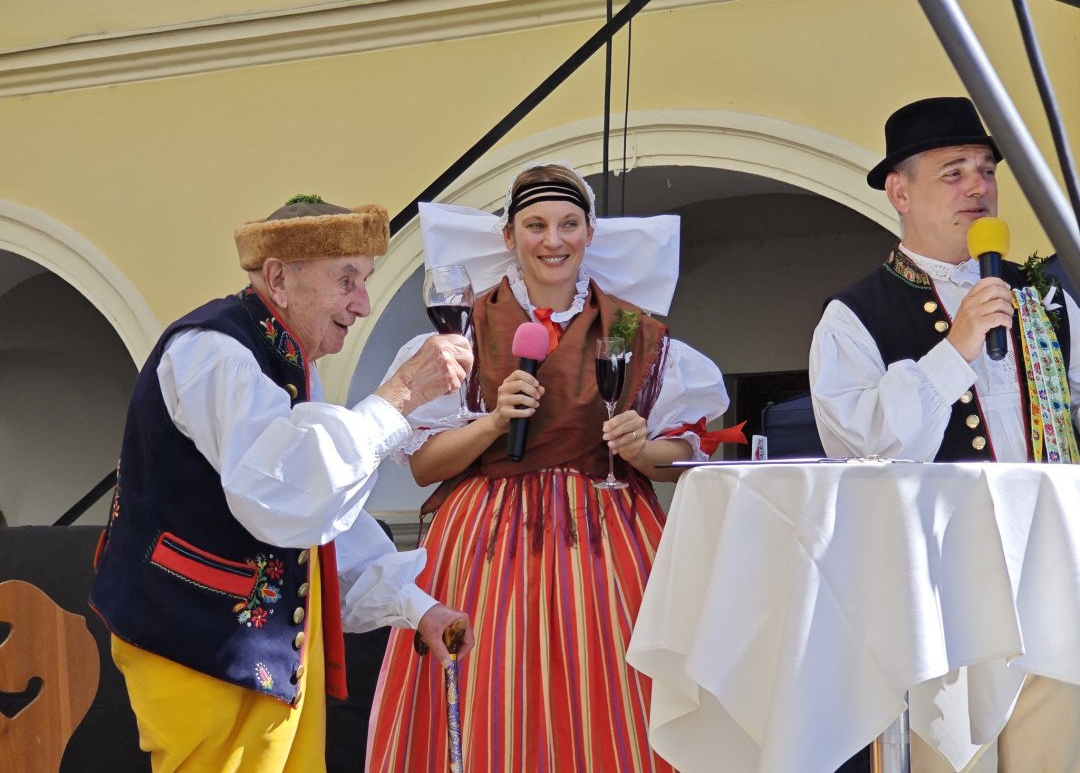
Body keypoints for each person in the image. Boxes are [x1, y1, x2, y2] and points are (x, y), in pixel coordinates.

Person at [89, 195, 475, 773]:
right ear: (278, 278)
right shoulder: (216, 352)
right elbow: (283, 491)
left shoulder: (288, 358)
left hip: (262, 653)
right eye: (347, 280)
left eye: (365, 281)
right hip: (198, 644)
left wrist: (414, 605)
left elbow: (321, 517)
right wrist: (398, 399)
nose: (364, 303)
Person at [366, 162, 731, 772]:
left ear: (590, 233)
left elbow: (688, 458)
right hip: (483, 541)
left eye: (568, 224)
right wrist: (490, 424)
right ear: (509, 236)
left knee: (614, 688)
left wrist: (642, 450)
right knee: (491, 688)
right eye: (535, 225)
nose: (553, 240)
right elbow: (426, 465)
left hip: (608, 538)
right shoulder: (467, 329)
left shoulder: (635, 330)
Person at [810, 97, 1080, 772]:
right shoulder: (853, 315)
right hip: (937, 589)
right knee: (953, 760)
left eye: (986, 171)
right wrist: (954, 350)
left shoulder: (1045, 295)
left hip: (1051, 576)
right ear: (899, 193)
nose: (979, 188)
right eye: (953, 172)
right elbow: (865, 450)